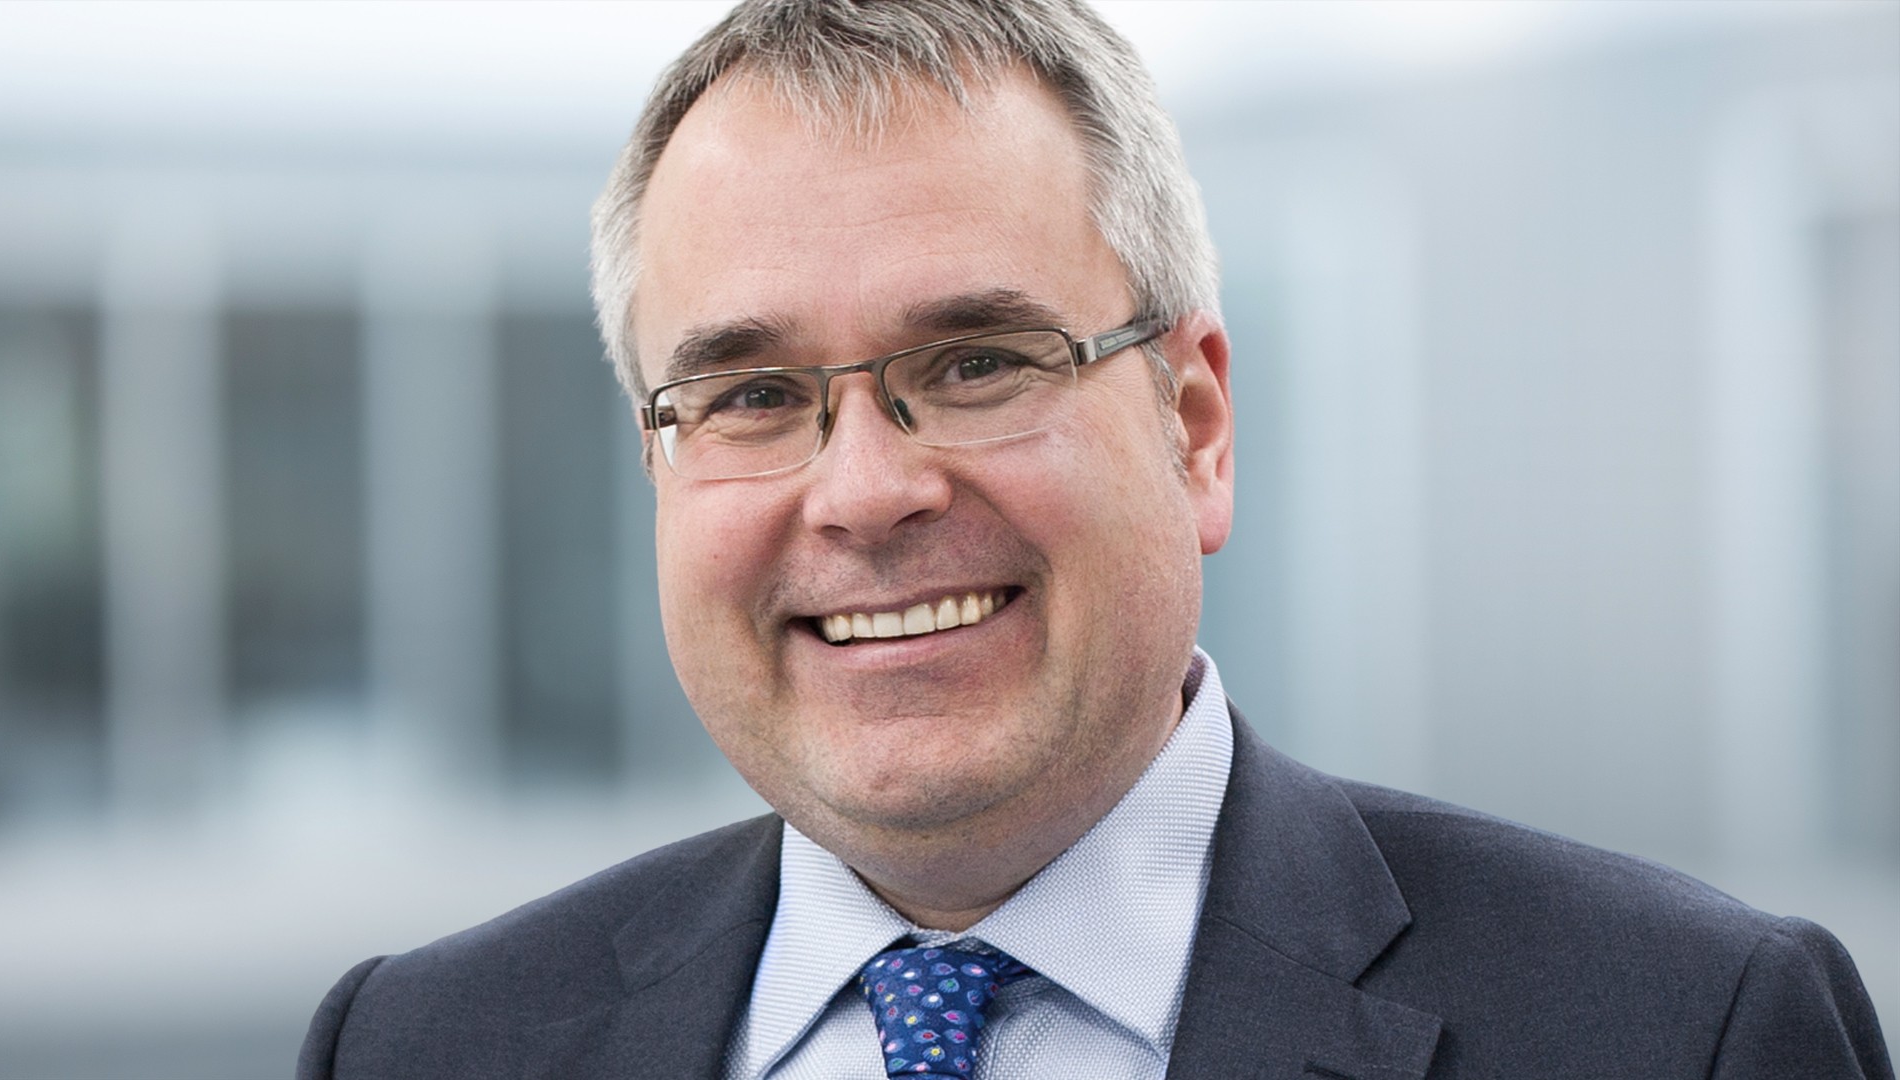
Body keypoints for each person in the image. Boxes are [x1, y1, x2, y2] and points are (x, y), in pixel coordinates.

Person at [298, 2, 1892, 1077]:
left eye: (977, 364)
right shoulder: (425, 1045)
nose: (862, 492)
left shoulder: (1684, 1036)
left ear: (1194, 425)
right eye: (754, 394)